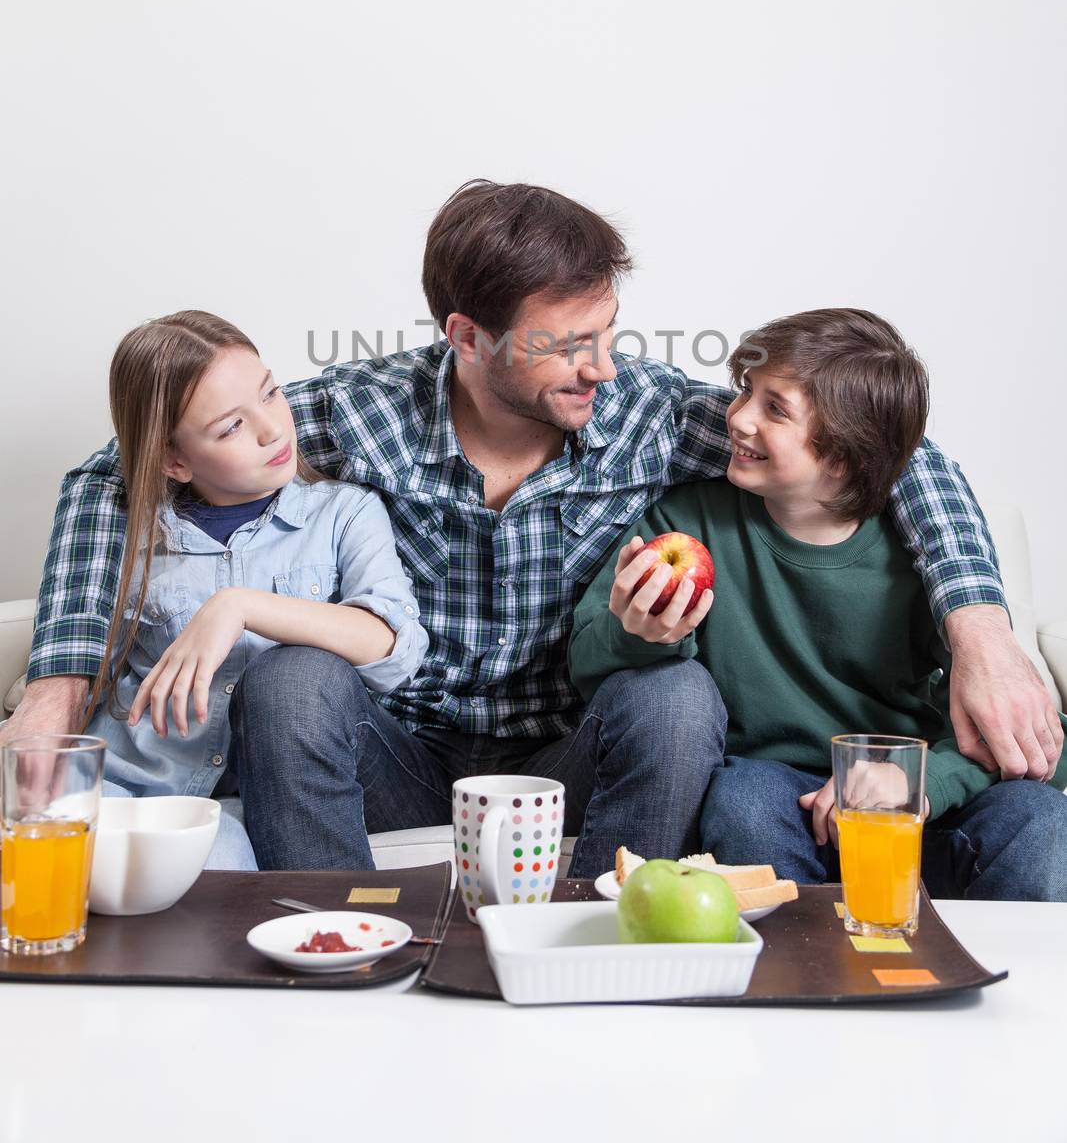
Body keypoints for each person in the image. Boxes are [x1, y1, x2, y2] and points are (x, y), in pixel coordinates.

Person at [7, 185, 1059, 874]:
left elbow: (897, 453)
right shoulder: (360, 412)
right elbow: (118, 467)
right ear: (467, 337)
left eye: (607, 333)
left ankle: (599, 943)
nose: (600, 367)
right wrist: (56, 682)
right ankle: (330, 935)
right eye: (565, 346)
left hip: (570, 755)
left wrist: (978, 630)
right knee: (292, 676)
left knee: (676, 696)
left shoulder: (646, 412)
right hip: (401, 752)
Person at [568, 309, 1067, 899]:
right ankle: (799, 978)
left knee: (1040, 820)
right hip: (772, 791)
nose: (738, 418)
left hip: (907, 804)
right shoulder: (687, 521)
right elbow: (585, 661)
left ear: (846, 457)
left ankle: (1012, 986)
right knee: (745, 803)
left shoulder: (917, 561)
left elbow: (1038, 745)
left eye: (774, 409)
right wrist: (641, 632)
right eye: (745, 392)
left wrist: (913, 783)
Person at [78, 310, 427, 868]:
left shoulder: (343, 512)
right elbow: (84, 662)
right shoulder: (132, 537)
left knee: (223, 860)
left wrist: (239, 607)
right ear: (174, 460)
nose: (272, 429)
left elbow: (391, 647)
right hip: (135, 786)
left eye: (271, 395)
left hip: (259, 799)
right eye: (231, 427)